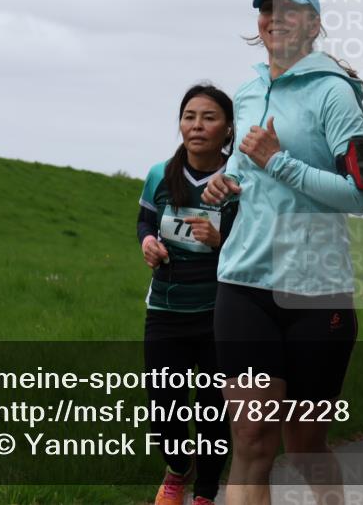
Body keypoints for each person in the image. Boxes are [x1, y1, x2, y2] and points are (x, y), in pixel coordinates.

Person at [202, 0, 363, 505]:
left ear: (314, 24)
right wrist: (224, 185)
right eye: (266, 10)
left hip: (315, 292)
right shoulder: (249, 90)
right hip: (244, 284)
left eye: (290, 10)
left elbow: (361, 193)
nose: (275, 18)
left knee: (304, 446)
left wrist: (276, 161)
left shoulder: (336, 94)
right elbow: (245, 169)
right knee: (252, 440)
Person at [137, 84, 238, 505]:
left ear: (228, 128)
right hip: (165, 310)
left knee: (213, 413)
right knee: (164, 413)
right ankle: (179, 468)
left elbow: (252, 243)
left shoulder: (237, 181)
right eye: (189, 116)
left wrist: (221, 240)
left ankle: (205, 493)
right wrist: (147, 243)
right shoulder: (160, 174)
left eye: (209, 117)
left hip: (221, 312)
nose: (197, 126)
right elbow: (145, 222)